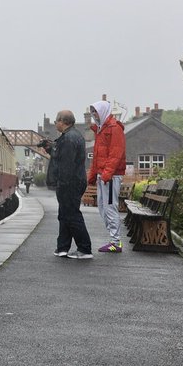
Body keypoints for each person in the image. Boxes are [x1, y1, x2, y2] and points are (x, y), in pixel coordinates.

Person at [40, 109, 91, 259]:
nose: (55, 123)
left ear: (63, 121)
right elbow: (61, 157)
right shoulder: (72, 136)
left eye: (57, 120)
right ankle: (62, 247)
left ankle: (85, 249)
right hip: (73, 181)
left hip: (70, 183)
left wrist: (62, 183)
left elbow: (66, 164)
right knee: (64, 215)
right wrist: (51, 149)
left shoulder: (69, 139)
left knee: (72, 215)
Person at [87, 99, 127, 253]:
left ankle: (115, 242)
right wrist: (93, 175)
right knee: (103, 207)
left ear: (102, 111)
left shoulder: (114, 128)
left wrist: (106, 174)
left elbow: (116, 153)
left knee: (110, 207)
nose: (94, 115)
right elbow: (97, 157)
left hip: (110, 176)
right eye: (92, 112)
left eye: (95, 111)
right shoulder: (101, 129)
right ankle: (113, 239)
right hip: (104, 175)